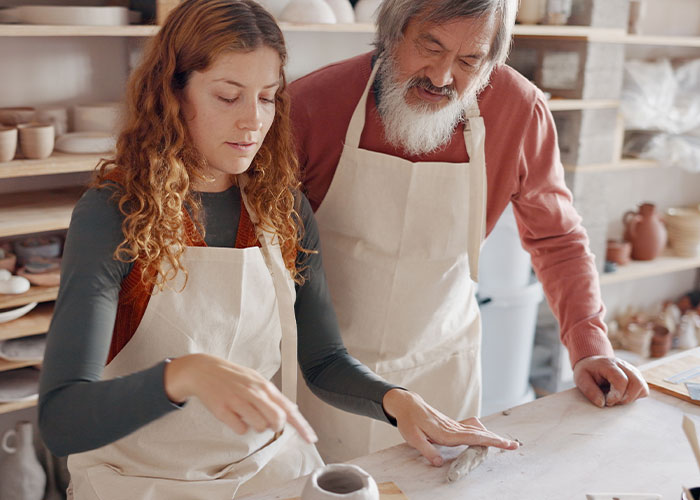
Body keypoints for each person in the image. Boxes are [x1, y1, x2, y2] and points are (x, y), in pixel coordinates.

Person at [38, 1, 518, 498]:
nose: (253, 121)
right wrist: (184, 375)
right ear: (173, 95)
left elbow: (323, 359)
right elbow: (62, 419)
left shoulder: (279, 205)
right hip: (138, 480)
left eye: (267, 98)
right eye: (229, 96)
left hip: (265, 470)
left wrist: (399, 402)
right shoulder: (113, 214)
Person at [288, 0, 650, 463]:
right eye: (429, 47)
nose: (441, 77)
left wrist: (588, 346)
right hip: (322, 374)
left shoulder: (518, 111)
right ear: (391, 32)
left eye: (468, 61)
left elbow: (557, 239)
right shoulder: (313, 103)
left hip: (440, 370)